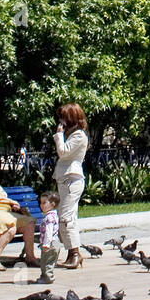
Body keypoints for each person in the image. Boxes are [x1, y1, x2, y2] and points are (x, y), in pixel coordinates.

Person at [53, 104, 89, 270]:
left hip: (71, 179)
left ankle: (75, 253)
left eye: (64, 117)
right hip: (65, 179)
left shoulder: (79, 135)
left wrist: (59, 135)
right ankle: (71, 252)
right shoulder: (73, 134)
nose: (61, 121)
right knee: (67, 217)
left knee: (66, 218)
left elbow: (64, 152)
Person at [36, 190, 60, 283]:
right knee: (46, 261)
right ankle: (44, 277)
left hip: (50, 243)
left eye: (44, 203)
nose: (41, 205)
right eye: (41, 203)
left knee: (47, 262)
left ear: (52, 204)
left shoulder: (49, 217)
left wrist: (46, 244)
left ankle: (48, 278)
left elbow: (48, 232)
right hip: (53, 242)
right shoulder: (53, 214)